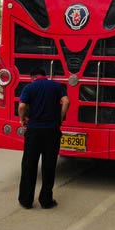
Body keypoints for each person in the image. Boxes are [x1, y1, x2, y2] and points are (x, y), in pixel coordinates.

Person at [18, 68, 70, 209]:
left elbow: (22, 106)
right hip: (52, 132)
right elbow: (66, 101)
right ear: (44, 76)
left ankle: (26, 201)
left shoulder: (29, 87)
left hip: (34, 131)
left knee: (29, 166)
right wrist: (61, 117)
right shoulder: (56, 86)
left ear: (33, 77)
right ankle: (46, 201)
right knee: (49, 166)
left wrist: (22, 119)